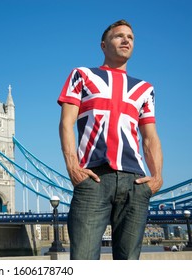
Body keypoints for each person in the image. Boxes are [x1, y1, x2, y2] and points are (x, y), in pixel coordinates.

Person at [57, 19, 163, 260]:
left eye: (131, 37)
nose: (126, 40)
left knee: (128, 263)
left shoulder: (145, 88)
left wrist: (156, 178)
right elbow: (66, 123)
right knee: (83, 261)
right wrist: (72, 167)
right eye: (119, 36)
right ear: (104, 45)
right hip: (93, 179)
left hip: (134, 184)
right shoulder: (81, 75)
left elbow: (150, 137)